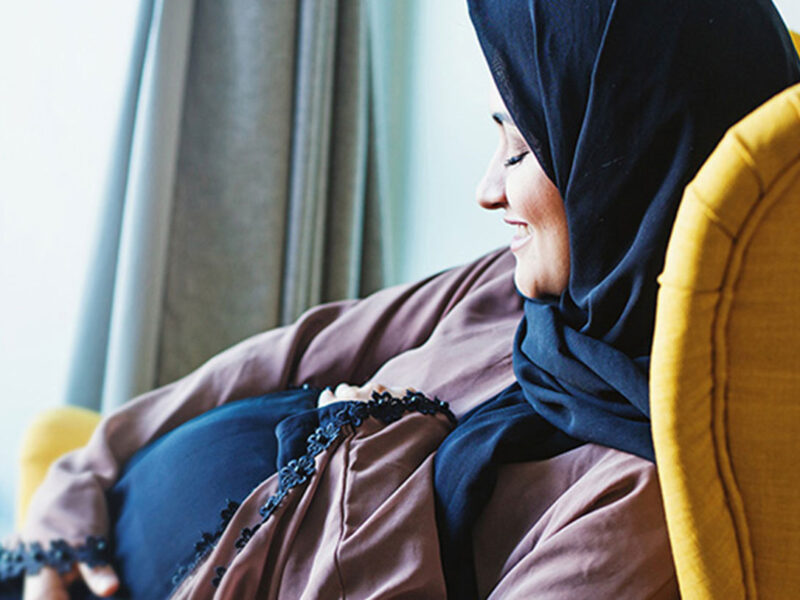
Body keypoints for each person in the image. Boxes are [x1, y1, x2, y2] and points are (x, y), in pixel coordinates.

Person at [4, 0, 799, 598]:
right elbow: (290, 353)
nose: (486, 190)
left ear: (627, 161)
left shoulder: (642, 503)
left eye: (522, 147)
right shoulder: (513, 291)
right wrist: (75, 489)